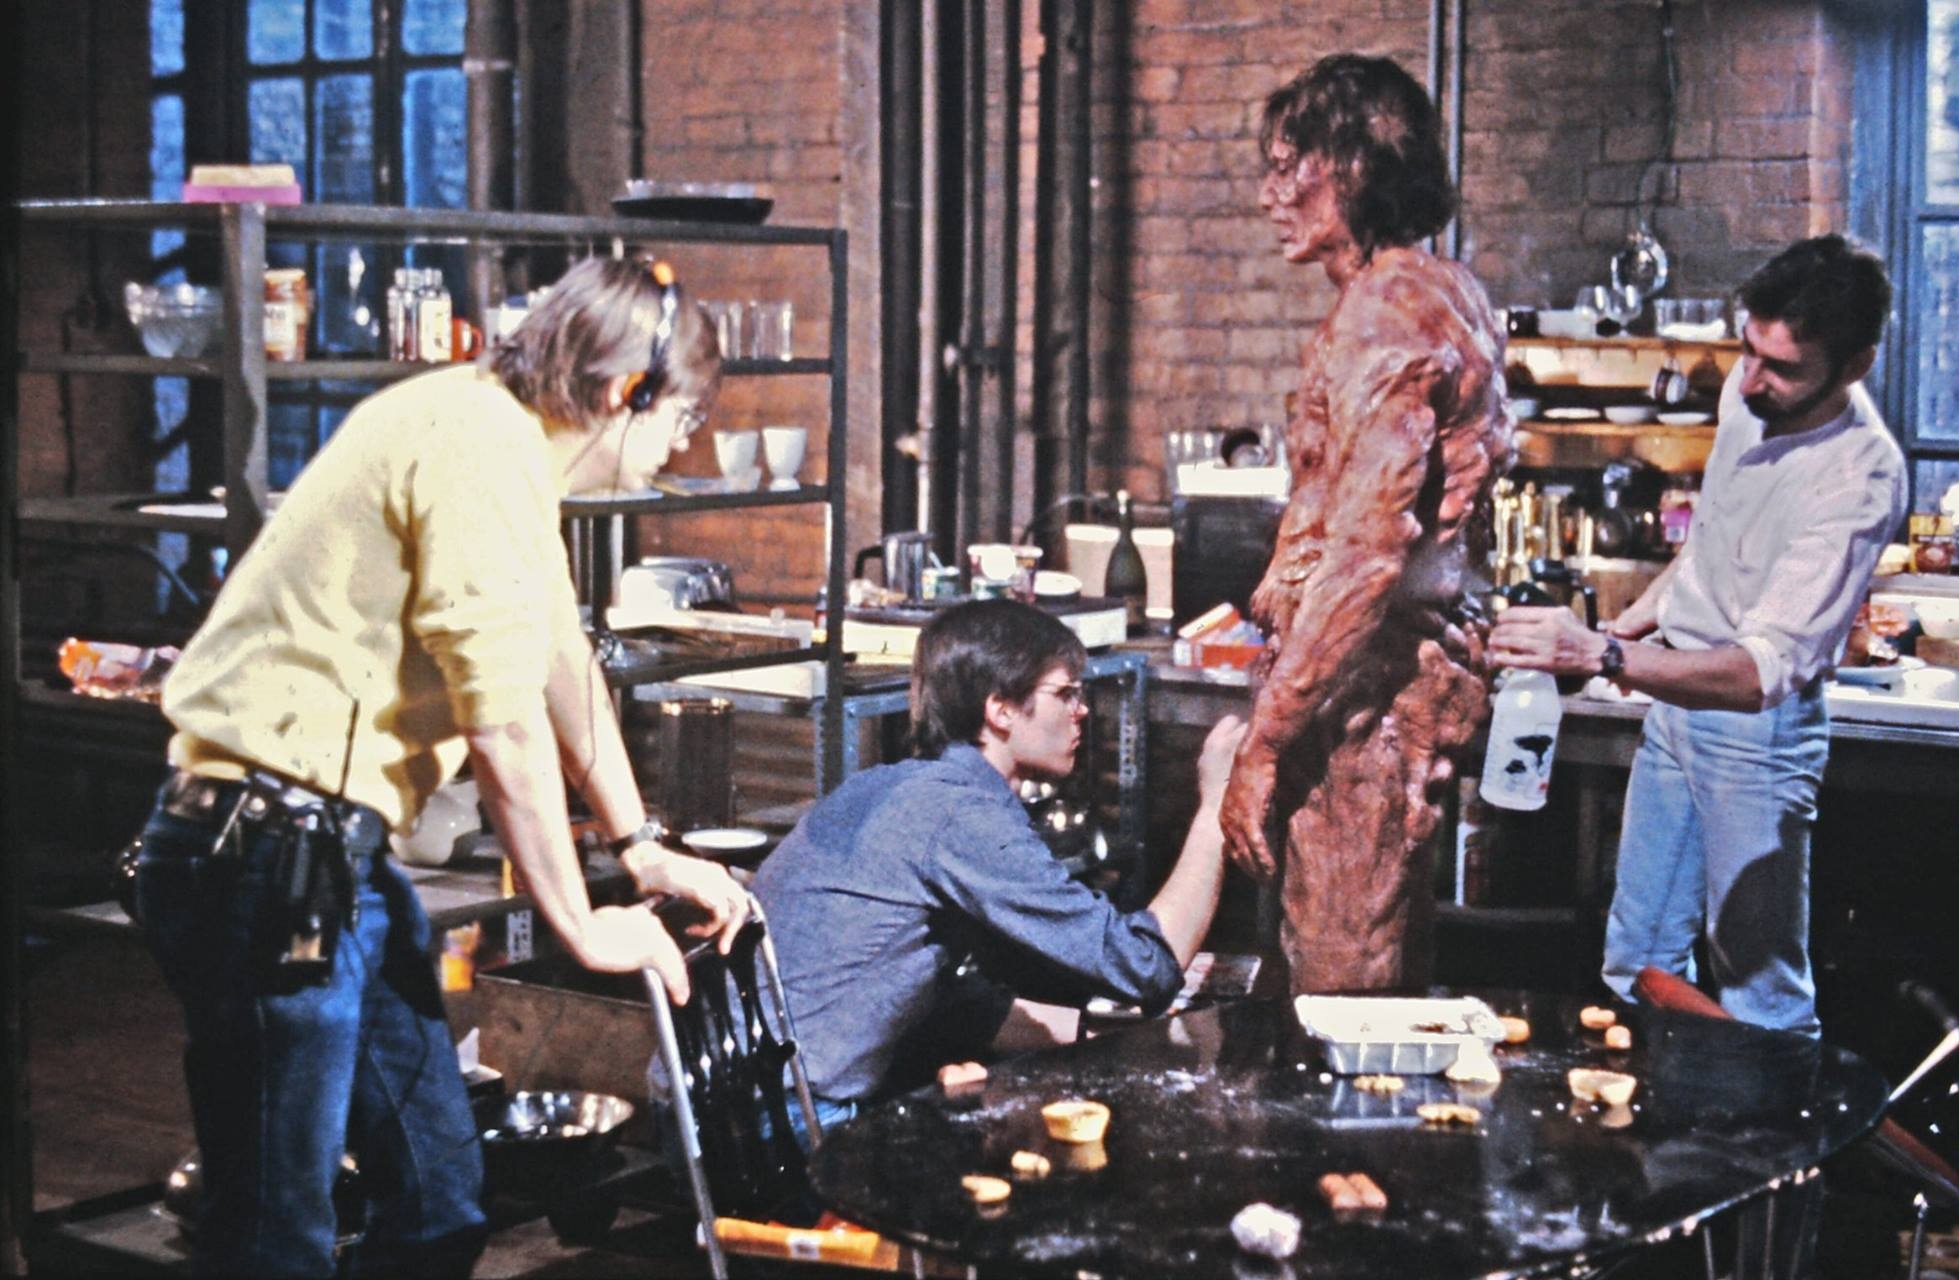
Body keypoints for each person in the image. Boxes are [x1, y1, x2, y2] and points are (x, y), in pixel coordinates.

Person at [132, 255, 755, 1277]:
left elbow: (560, 661)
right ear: (620, 391)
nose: (680, 446)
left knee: (435, 1203)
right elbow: (504, 725)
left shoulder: (502, 444)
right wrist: (580, 923)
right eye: (680, 418)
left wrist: (642, 844)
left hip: (329, 853)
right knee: (274, 1235)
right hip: (263, 851)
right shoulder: (475, 450)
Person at [1489, 235, 1907, 1036]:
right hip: (1676, 707)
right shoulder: (1751, 400)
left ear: (1855, 365)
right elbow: (1710, 549)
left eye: (1781, 368)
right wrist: (1629, 625)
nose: (1750, 381)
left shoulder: (1860, 475)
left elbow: (1759, 673)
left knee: (1759, 988)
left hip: (1757, 734)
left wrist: (1602, 653)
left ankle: (1771, 1118)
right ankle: (1650, 1110)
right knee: (1635, 958)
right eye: (1749, 351)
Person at [1218, 54, 1514, 993]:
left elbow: (1365, 560)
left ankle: (1344, 1104)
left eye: (1287, 168)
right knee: (1366, 955)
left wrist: (1265, 743)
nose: (1269, 195)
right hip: (1373, 680)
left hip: (1362, 693)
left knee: (1341, 975)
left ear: (1350, 170)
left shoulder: (1384, 316)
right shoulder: (1441, 290)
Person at [751, 598, 1246, 1123]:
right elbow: (1145, 966)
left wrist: (1103, 1035)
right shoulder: (960, 815)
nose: (1081, 710)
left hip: (740, 1094)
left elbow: (947, 1004)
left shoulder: (897, 786)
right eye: (1065, 693)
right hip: (792, 1116)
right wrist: (1217, 802)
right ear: (1000, 710)